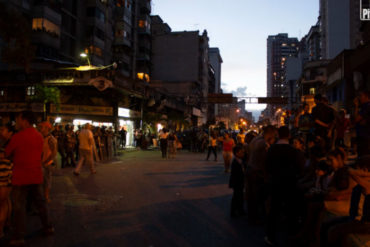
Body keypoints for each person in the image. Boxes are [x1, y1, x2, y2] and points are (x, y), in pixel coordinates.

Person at [5, 111, 53, 246]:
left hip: (20, 176)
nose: (17, 122)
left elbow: (7, 153)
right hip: (36, 174)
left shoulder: (18, 137)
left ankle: (19, 236)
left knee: (19, 207)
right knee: (40, 203)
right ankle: (48, 226)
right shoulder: (39, 136)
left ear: (25, 121)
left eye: (18, 120)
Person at [264, 126, 304, 245]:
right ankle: (292, 235)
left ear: (278, 135)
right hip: (290, 184)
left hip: (275, 183)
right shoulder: (294, 151)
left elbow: (267, 167)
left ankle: (271, 237)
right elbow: (300, 168)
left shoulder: (271, 149)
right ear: (289, 136)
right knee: (291, 210)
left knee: (274, 210)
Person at [246, 125, 276, 225]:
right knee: (256, 196)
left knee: (251, 195)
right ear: (271, 134)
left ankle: (251, 215)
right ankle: (254, 218)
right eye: (274, 135)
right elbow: (264, 161)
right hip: (256, 172)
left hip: (250, 169)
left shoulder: (256, 139)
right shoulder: (263, 144)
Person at [0, 123, 15, 240]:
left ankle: (1, 229)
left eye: (3, 130)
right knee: (6, 202)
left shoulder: (8, 143)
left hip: (5, 175)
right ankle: (7, 223)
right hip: (7, 175)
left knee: (2, 204)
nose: (1, 132)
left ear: (10, 132)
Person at [38, 121, 57, 203]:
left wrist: (46, 161)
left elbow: (54, 152)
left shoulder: (51, 139)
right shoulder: (40, 137)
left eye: (41, 127)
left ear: (47, 128)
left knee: (47, 181)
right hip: (40, 163)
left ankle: (46, 196)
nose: (40, 129)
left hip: (47, 164)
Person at [229, 145, 246, 218]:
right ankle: (234, 212)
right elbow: (235, 174)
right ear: (236, 153)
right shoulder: (235, 162)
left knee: (240, 196)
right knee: (236, 197)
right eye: (241, 152)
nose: (243, 154)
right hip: (237, 183)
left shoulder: (240, 160)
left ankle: (240, 210)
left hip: (239, 182)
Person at [353, 90, 370, 157]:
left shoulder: (367, 106)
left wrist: (356, 106)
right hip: (363, 135)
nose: (359, 98)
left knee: (364, 156)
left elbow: (356, 119)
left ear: (366, 96)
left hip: (365, 135)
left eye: (361, 96)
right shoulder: (363, 106)